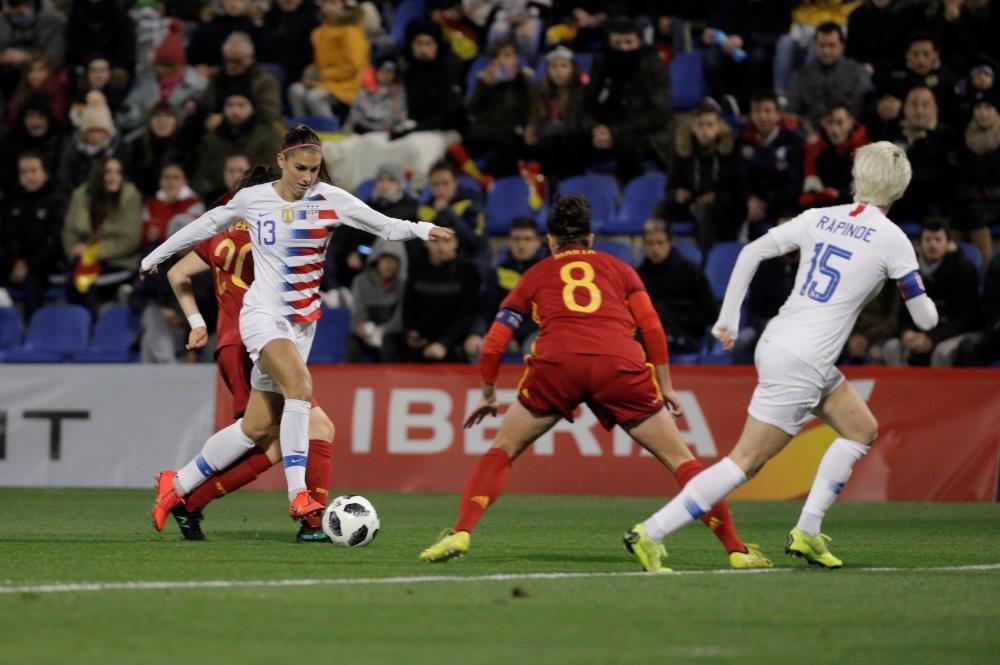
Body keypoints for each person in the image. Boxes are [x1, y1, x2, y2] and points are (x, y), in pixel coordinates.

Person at [624, 142, 939, 572]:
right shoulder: (894, 241)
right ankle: (651, 532)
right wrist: (913, 288)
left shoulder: (818, 217)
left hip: (781, 342)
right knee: (745, 462)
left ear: (857, 178)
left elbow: (750, 251)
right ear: (900, 189)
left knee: (860, 428)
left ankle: (807, 531)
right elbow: (925, 321)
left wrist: (728, 319)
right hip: (804, 361)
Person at [419, 195, 772, 570]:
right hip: (619, 366)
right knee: (680, 459)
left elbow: (493, 343)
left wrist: (488, 393)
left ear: (550, 242)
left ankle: (461, 530)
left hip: (557, 367)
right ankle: (735, 549)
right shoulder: (620, 269)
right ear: (590, 239)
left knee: (503, 449)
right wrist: (665, 385)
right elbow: (652, 328)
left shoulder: (535, 275)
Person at [141, 124, 453, 532]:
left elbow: (383, 225)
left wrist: (423, 229)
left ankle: (177, 482)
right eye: (302, 167)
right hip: (261, 317)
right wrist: (156, 257)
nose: (308, 177)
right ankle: (299, 498)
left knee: (253, 427)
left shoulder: (330, 199)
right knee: (300, 391)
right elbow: (206, 225)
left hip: (302, 325)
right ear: (282, 161)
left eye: (315, 168)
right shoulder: (253, 199)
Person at [163, 165, 335, 542]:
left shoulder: (225, 231)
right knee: (268, 436)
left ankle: (188, 497)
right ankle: (189, 497)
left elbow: (177, 273)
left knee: (293, 431)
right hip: (256, 344)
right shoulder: (273, 233)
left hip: (230, 343)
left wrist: (196, 321)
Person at [636, 219, 718, 355]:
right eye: (650, 243)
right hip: (648, 335)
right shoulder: (638, 275)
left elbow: (710, 314)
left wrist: (673, 314)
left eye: (660, 243)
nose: (655, 248)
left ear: (670, 243)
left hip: (685, 335)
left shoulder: (691, 272)